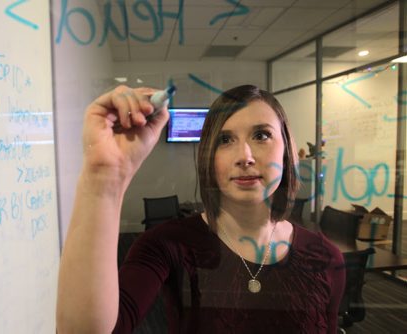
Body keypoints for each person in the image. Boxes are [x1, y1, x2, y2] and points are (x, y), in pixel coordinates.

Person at [56, 84, 346, 333]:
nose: (245, 156)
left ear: (287, 150)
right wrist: (103, 175)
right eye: (225, 140)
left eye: (261, 135)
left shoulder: (324, 257)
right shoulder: (166, 246)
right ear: (209, 156)